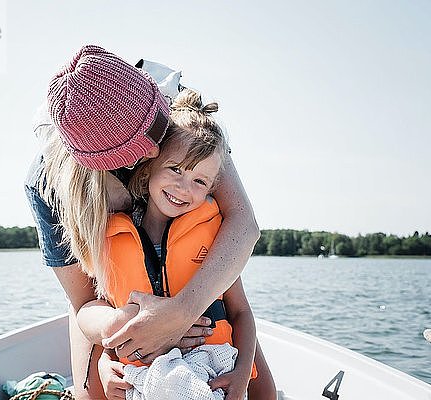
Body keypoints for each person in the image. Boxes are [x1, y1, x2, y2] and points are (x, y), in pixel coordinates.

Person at [25, 45, 275, 399]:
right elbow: (84, 302)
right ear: (111, 160)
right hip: (116, 302)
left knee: (264, 391)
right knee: (93, 394)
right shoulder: (46, 183)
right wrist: (117, 334)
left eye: (159, 126)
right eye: (148, 143)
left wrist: (181, 313)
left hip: (200, 301)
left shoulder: (183, 126)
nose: (159, 150)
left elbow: (243, 224)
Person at [77, 88, 259, 400]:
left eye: (200, 181)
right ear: (148, 166)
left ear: (211, 190)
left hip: (209, 366)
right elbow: (101, 314)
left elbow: (240, 310)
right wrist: (107, 364)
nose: (183, 187)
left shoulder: (214, 236)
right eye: (176, 169)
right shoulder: (111, 237)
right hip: (141, 373)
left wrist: (243, 371)